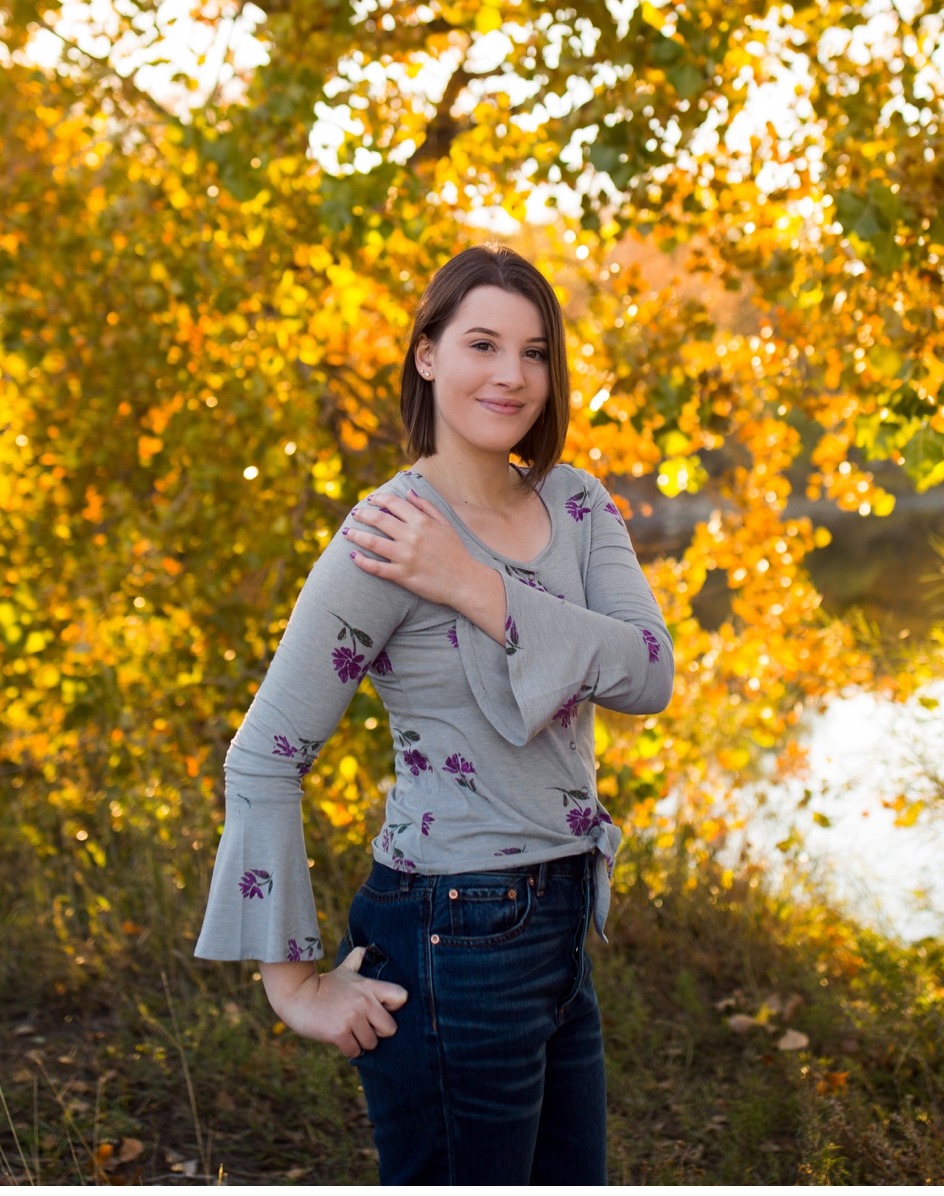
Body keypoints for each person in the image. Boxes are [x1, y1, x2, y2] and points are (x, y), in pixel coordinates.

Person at [193, 244, 676, 1184]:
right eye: (483, 344)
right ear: (427, 354)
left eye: (535, 353)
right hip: (453, 932)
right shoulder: (386, 534)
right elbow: (265, 754)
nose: (511, 375)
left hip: (563, 920)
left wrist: (474, 587)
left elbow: (648, 675)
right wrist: (293, 984)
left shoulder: (576, 504)